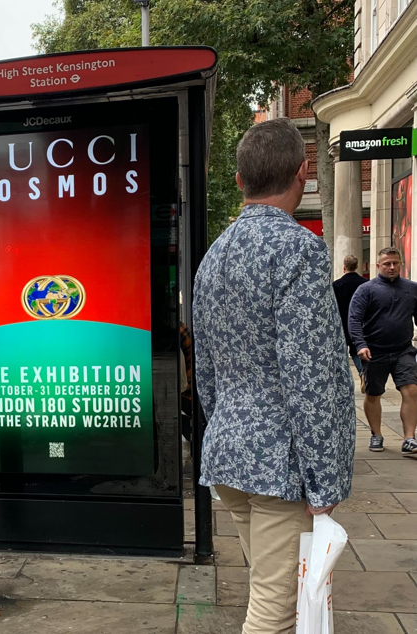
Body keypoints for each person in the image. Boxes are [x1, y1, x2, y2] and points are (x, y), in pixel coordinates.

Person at [193, 118, 356, 634]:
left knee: (268, 591)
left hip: (228, 454)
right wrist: (325, 476)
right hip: (280, 463)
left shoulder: (213, 257)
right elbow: (312, 372)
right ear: (304, 173)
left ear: (240, 180)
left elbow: (206, 371)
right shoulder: (299, 249)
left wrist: (223, 429)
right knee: (274, 610)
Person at [348, 247, 417, 454]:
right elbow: (354, 319)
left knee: (411, 390)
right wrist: (360, 345)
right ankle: (376, 434)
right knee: (373, 394)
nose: (392, 267)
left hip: (403, 350)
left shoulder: (412, 289)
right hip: (374, 351)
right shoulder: (366, 290)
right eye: (387, 264)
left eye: (396, 263)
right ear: (378, 266)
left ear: (401, 264)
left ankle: (409, 438)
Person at [332, 255, 368, 387]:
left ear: (344, 267)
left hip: (341, 322)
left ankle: (340, 380)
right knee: (356, 349)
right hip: (360, 322)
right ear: (357, 266)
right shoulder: (365, 283)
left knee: (339, 351)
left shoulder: (336, 285)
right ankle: (362, 371)